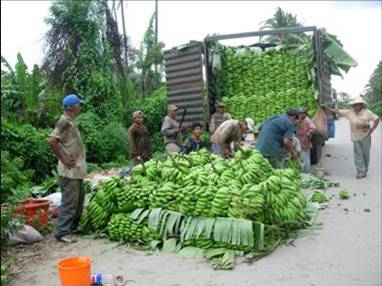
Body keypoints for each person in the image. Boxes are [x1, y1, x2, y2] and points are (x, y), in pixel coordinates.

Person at [47, 94, 86, 243]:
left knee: (78, 201)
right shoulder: (63, 121)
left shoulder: (70, 121)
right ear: (73, 107)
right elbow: (51, 140)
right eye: (79, 104)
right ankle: (63, 232)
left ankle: (73, 228)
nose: (80, 107)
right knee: (70, 203)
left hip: (76, 170)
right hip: (69, 172)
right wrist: (63, 159)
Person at [323, 97, 380, 179]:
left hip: (366, 137)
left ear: (361, 105)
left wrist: (372, 129)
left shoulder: (367, 112)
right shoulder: (349, 112)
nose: (356, 106)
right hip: (355, 137)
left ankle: (365, 170)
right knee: (358, 154)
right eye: (354, 104)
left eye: (357, 104)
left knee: (365, 155)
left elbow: (377, 119)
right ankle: (360, 171)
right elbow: (337, 111)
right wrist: (327, 108)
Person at [296, 107, 317, 173]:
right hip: (300, 141)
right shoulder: (300, 120)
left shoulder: (307, 120)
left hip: (304, 142)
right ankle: (307, 172)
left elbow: (313, 128)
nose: (300, 115)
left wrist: (307, 134)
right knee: (305, 158)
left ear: (305, 114)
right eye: (299, 113)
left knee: (304, 159)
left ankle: (305, 173)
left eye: (301, 113)